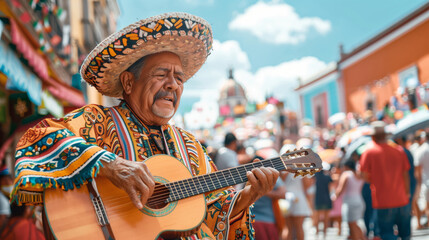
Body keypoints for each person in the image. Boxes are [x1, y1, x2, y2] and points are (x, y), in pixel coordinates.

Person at [10, 13, 279, 239]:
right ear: (128, 83)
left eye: (179, 78)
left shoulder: (191, 147)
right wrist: (110, 165)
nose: (173, 84)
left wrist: (246, 198)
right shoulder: (99, 122)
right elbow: (35, 138)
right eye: (162, 74)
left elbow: (214, 216)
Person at [360, 121, 411, 240]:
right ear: (385, 135)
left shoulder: (369, 152)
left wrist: (374, 179)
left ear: (373, 137)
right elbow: (406, 175)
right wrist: (407, 193)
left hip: (382, 201)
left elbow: (363, 176)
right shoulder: (399, 151)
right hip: (401, 199)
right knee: (405, 235)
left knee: (386, 234)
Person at [333, 160, 364, 240]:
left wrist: (334, 196)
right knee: (354, 224)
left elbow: (340, 190)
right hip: (359, 201)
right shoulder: (359, 175)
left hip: (349, 203)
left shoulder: (346, 175)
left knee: (352, 225)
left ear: (346, 166)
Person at [313, 162, 333, 238]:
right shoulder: (327, 177)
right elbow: (331, 186)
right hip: (326, 198)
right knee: (326, 218)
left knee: (317, 216)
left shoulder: (316, 176)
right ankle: (324, 233)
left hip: (318, 198)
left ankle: (317, 232)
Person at [0, 166, 12, 230]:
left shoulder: (6, 197)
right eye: (5, 181)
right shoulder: (2, 200)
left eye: (10, 181)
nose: (9, 184)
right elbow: (2, 221)